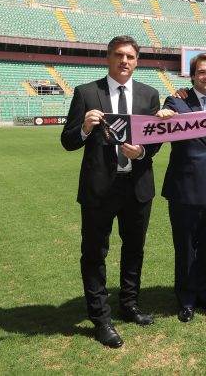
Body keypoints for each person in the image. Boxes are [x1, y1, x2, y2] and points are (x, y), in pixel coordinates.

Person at [60, 35, 161, 348]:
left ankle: (129, 305)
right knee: (94, 254)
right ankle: (101, 318)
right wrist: (85, 129)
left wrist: (142, 153)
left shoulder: (149, 95)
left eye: (130, 56)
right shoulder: (87, 92)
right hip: (99, 189)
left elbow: (155, 141)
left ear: (137, 61)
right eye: (119, 55)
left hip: (136, 186)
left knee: (134, 249)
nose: (124, 61)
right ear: (108, 57)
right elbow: (68, 141)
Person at [156, 53, 206, 323]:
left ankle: (205, 295)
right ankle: (186, 300)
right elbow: (164, 122)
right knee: (185, 247)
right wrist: (164, 115)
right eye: (201, 72)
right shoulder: (177, 101)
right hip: (185, 187)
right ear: (193, 75)